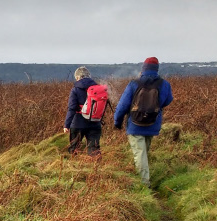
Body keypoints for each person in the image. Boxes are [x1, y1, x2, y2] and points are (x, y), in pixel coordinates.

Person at [114, 57, 174, 187]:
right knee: (143, 153)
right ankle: (142, 178)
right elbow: (168, 100)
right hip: (153, 124)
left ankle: (144, 185)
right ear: (156, 69)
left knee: (140, 154)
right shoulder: (164, 84)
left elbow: (123, 105)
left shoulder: (134, 83)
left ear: (144, 68)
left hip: (135, 125)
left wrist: (117, 122)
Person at [63, 66, 102, 156]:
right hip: (95, 123)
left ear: (77, 77)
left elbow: (72, 108)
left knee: (74, 150)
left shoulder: (75, 90)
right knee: (94, 151)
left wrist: (67, 125)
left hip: (78, 123)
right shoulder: (98, 88)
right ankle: (97, 168)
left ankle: (73, 168)